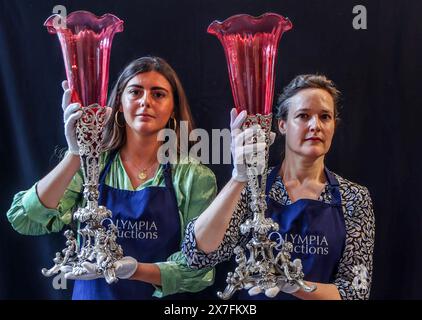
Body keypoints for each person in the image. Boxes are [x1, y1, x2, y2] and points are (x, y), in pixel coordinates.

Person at [6, 56, 217, 300]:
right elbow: (25, 218)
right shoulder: (92, 165)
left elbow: (200, 270)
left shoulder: (194, 177)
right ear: (118, 103)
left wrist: (134, 270)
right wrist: (77, 154)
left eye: (158, 94)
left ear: (173, 108)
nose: (145, 101)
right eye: (135, 92)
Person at [182, 74, 375, 300]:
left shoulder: (354, 198)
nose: (315, 125)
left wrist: (292, 285)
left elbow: (355, 292)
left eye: (325, 117)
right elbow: (197, 255)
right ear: (282, 125)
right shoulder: (254, 187)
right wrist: (239, 177)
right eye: (303, 116)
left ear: (334, 126)